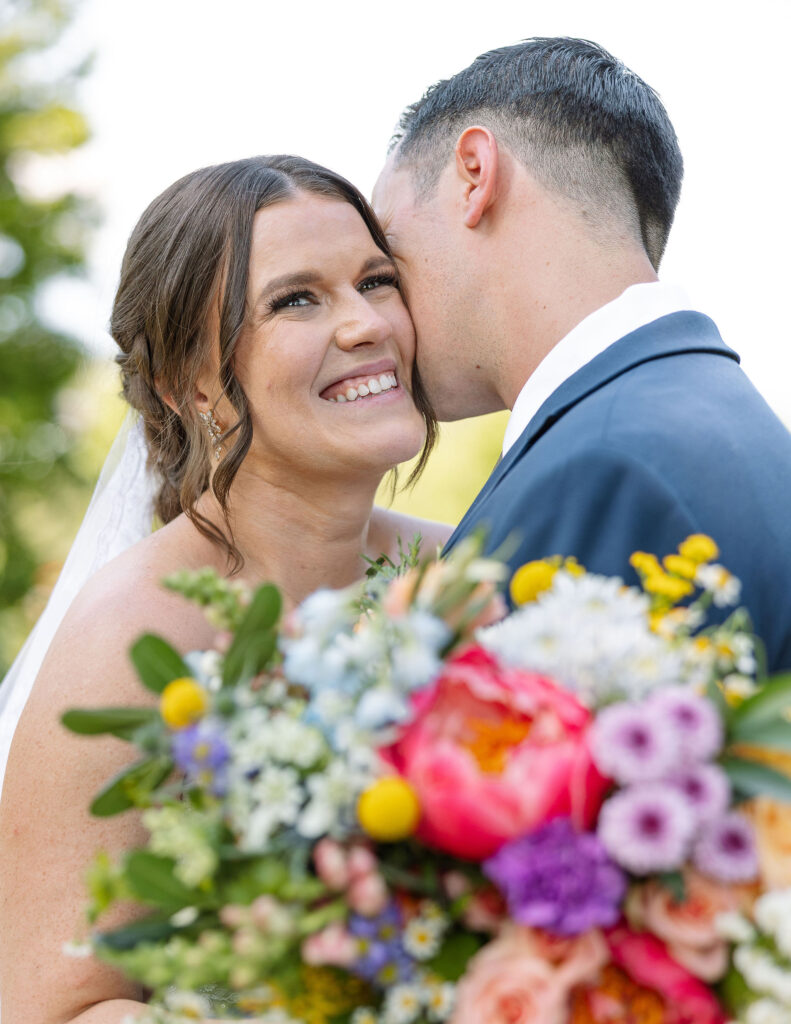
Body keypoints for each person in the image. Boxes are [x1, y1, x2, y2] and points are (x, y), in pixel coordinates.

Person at [0, 155, 451, 1024]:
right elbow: (49, 1007)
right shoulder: (132, 636)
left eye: (375, 280)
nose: (365, 324)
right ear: (188, 384)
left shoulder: (462, 580)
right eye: (297, 299)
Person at [373, 36, 791, 672]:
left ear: (474, 175)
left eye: (388, 256)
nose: (377, 311)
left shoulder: (603, 468)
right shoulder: (704, 410)